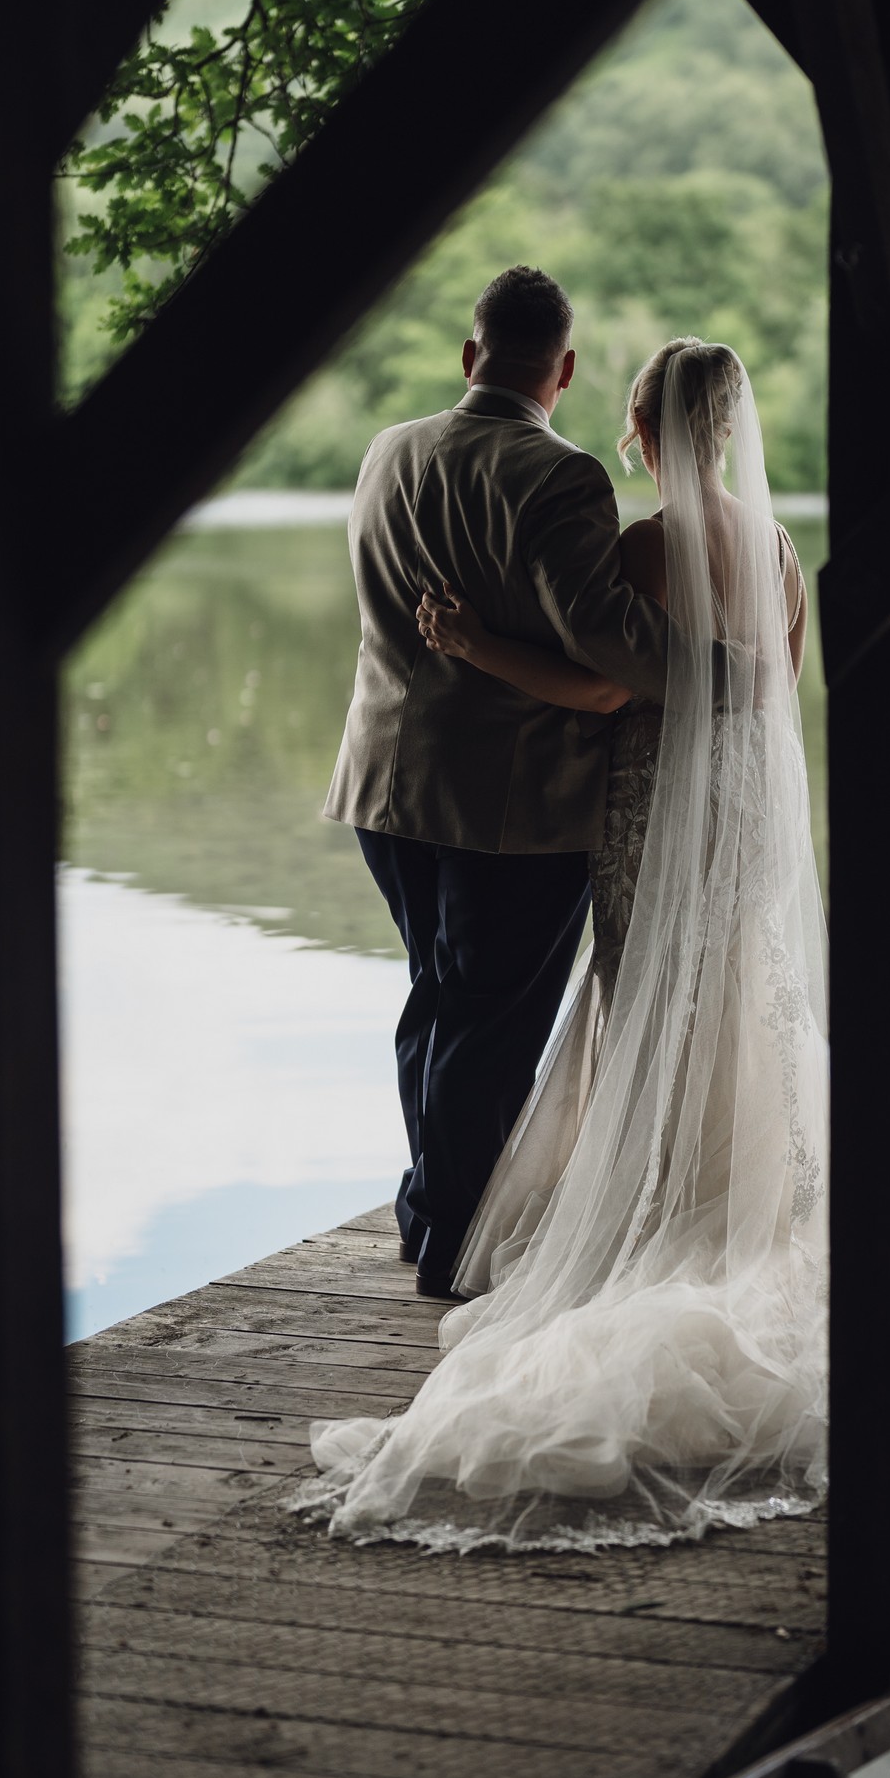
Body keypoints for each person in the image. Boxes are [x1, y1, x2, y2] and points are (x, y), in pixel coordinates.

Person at [298, 338, 890, 1559]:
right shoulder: (780, 548)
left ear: (639, 422)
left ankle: (663, 1200)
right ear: (728, 426)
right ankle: (747, 1202)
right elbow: (773, 687)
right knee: (744, 989)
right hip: (740, 806)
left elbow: (605, 692)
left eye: (633, 411)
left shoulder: (641, 547)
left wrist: (472, 646)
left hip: (650, 803)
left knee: (650, 996)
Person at [324, 266, 671, 1296]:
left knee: (440, 998)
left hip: (386, 785)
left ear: (471, 355)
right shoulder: (560, 477)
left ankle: (428, 1209)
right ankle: (451, 1247)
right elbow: (611, 645)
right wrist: (719, 652)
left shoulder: (390, 450)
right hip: (509, 805)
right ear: (562, 369)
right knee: (487, 1020)